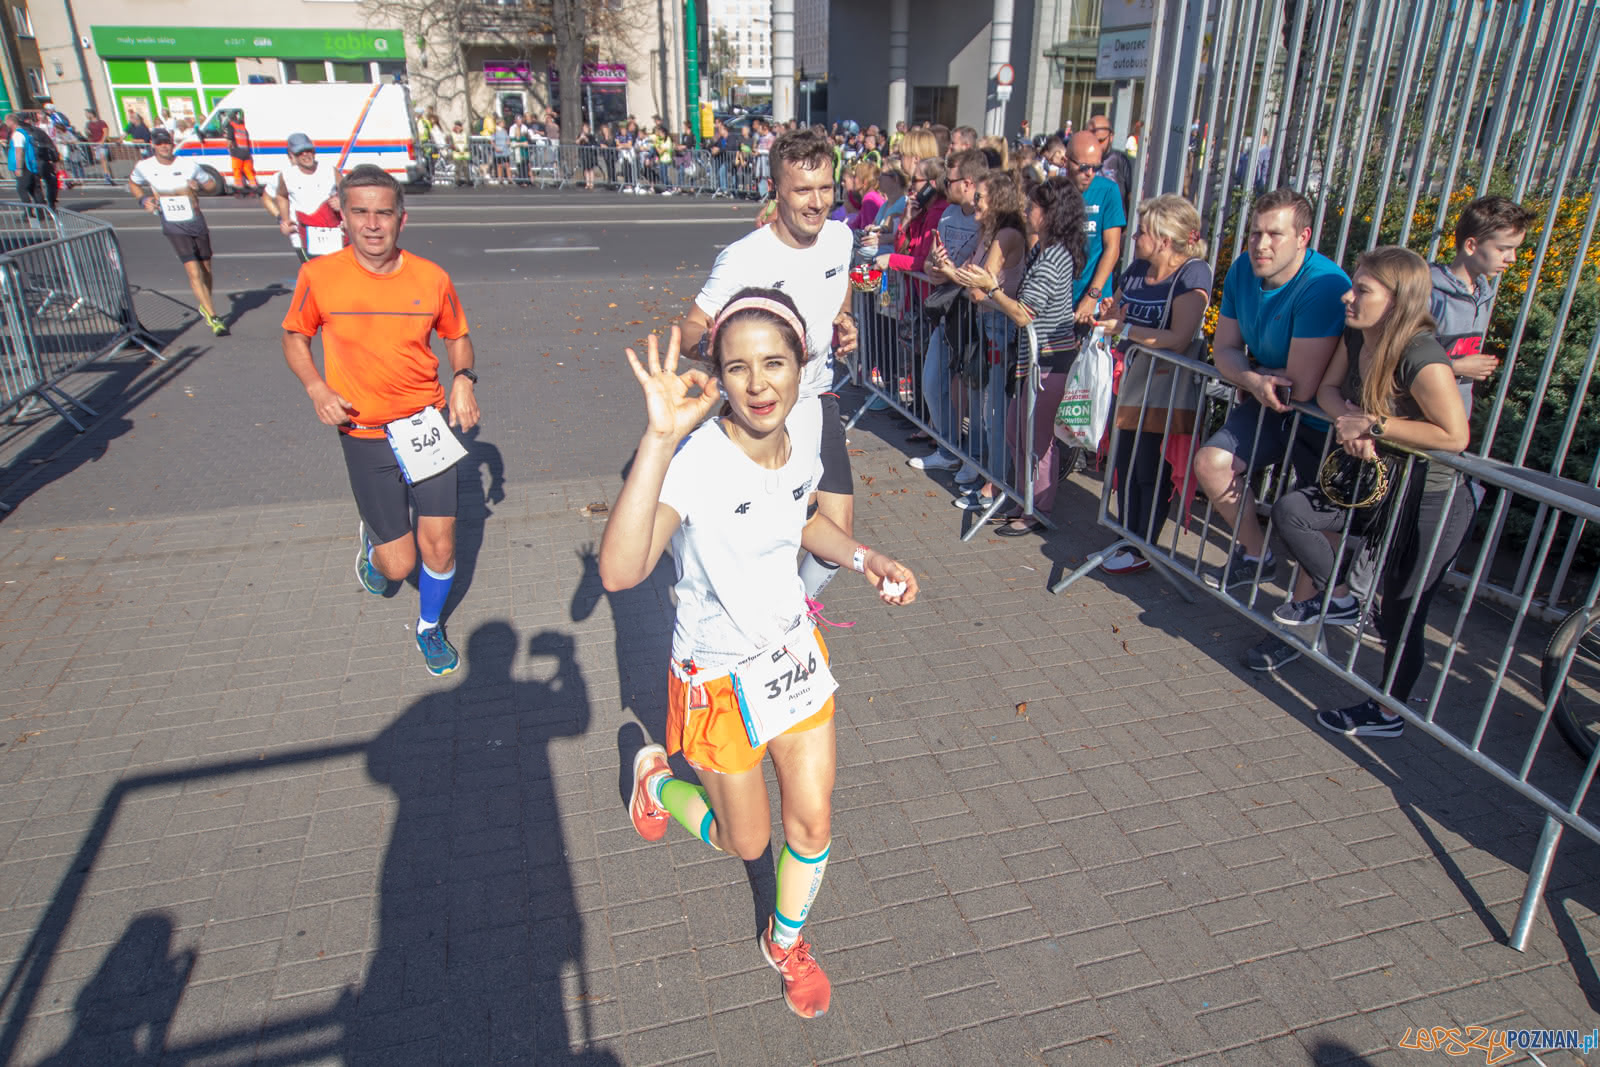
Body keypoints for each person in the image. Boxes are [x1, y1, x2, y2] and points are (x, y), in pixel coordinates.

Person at [604, 295, 919, 1021]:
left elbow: (801, 516)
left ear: (800, 365)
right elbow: (621, 571)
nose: (757, 383)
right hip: (716, 677)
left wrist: (866, 557)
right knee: (743, 839)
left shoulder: (803, 434)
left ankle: (785, 942)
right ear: (717, 375)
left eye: (774, 362)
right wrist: (658, 440)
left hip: (792, 658)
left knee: (811, 824)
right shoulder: (696, 460)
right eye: (738, 367)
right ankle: (657, 780)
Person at [1259, 249, 1470, 732]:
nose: (1347, 297)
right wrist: (1350, 422)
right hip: (1375, 484)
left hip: (1430, 499)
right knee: (1292, 510)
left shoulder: (1421, 355)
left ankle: (1388, 712)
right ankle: (1341, 597)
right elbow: (1328, 391)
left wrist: (1374, 425)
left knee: (1401, 611)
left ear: (1397, 301)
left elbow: (1455, 435)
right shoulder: (1357, 335)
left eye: (1363, 290)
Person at [280, 165, 480, 676]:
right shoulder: (319, 276)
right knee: (399, 565)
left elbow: (457, 336)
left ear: (401, 219)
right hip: (364, 434)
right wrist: (316, 387)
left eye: (383, 213)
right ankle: (375, 545)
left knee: (440, 546)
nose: (372, 224)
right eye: (361, 212)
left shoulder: (431, 277)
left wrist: (463, 378)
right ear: (343, 218)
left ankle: (429, 627)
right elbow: (295, 336)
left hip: (425, 426)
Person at [676, 128, 860, 602]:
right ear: (776, 190)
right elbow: (691, 329)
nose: (817, 202)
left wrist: (843, 318)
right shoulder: (744, 258)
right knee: (774, 531)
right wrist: (726, 352)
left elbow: (839, 284)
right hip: (763, 408)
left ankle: (792, 612)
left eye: (825, 188)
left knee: (838, 537)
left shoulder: (840, 237)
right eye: (803, 190)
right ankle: (752, 612)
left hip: (817, 396)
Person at [1192, 188, 1351, 614]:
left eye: (1274, 234)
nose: (1261, 244)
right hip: (1270, 403)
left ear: (1303, 237)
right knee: (1211, 463)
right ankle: (1255, 555)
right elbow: (1225, 349)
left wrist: (1253, 373)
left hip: (1323, 421)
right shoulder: (1242, 269)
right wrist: (1252, 376)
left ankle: (1300, 622)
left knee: (1313, 522)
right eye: (1255, 233)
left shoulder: (1324, 285)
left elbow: (1300, 386)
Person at [955, 176, 1087, 536]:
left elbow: (1024, 313)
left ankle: (1037, 509)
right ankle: (1022, 498)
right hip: (1032, 360)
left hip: (1050, 360)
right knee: (1016, 431)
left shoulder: (1055, 256)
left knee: (1037, 441)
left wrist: (991, 288)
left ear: (1051, 213)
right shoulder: (1043, 250)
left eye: (1033, 206)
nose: (1027, 211)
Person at [1091, 194, 1213, 572]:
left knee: (1149, 467)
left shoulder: (1193, 273)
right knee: (1123, 462)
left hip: (1165, 388)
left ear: (1164, 239)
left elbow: (1179, 337)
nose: (1134, 237)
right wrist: (1111, 313)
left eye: (1141, 231)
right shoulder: (1136, 270)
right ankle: (1125, 537)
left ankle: (1143, 547)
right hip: (1129, 382)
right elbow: (1117, 312)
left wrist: (1124, 329)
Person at [948, 171, 1028, 510]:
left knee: (993, 412)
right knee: (985, 409)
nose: (975, 200)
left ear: (997, 200)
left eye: (980, 195)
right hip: (990, 325)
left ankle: (994, 486)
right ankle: (987, 477)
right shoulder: (990, 233)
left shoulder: (1005, 235)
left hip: (1001, 328)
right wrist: (948, 270)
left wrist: (964, 279)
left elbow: (979, 289)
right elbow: (969, 278)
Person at [907, 148, 987, 473]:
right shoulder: (949, 213)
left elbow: (981, 273)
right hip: (947, 309)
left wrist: (951, 273)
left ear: (967, 182)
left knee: (976, 394)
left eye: (948, 180)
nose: (942, 185)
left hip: (977, 315)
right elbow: (931, 259)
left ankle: (976, 461)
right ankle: (949, 449)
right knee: (931, 383)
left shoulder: (985, 217)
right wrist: (935, 269)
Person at [1429, 196, 1534, 417]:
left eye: (1515, 249)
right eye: (1503, 249)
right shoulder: (1429, 294)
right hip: (1414, 420)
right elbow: (1395, 356)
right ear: (1471, 246)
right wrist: (1455, 367)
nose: (1512, 258)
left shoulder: (1481, 295)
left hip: (1453, 419)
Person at [129, 128, 226, 335]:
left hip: (195, 221)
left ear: (172, 143)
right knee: (193, 271)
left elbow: (212, 186)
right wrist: (143, 199)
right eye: (159, 143)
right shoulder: (145, 167)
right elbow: (133, 183)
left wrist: (199, 186)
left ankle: (205, 304)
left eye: (167, 142)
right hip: (173, 224)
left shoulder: (188, 165)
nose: (164, 146)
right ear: (153, 145)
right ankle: (213, 316)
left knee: (206, 269)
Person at [1064, 131, 1125, 328]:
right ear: (1066, 162)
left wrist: (1092, 296)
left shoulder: (1108, 190)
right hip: (1057, 301)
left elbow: (1112, 248)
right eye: (1083, 167)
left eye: (1096, 167)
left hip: (1094, 303)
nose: (1090, 173)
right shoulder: (1052, 190)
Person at [266, 132, 344, 262]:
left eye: (308, 150)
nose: (306, 155)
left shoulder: (330, 170)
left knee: (336, 271)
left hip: (333, 233)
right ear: (292, 156)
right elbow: (281, 196)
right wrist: (284, 220)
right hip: (303, 236)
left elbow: (348, 193)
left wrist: (342, 202)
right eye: (300, 152)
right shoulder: (286, 176)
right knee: (314, 272)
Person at [1087, 111, 1133, 209]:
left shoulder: (1120, 160)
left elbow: (1131, 196)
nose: (1096, 145)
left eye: (1100, 141)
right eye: (1092, 140)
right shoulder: (1080, 161)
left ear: (1111, 137)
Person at [225, 110, 257, 197]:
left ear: (229, 118)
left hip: (236, 153)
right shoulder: (243, 126)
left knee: (237, 171)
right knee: (248, 171)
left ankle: (239, 190)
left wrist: (228, 148)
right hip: (246, 153)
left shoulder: (231, 126)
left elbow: (230, 140)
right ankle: (254, 189)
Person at [84, 108, 112, 184]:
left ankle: (108, 177)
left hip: (102, 144)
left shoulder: (101, 122)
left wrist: (102, 141)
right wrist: (87, 132)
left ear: (91, 114)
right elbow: (90, 135)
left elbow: (105, 132)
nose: (86, 115)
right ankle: (109, 175)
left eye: (87, 114)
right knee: (102, 161)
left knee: (103, 159)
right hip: (95, 144)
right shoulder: (89, 124)